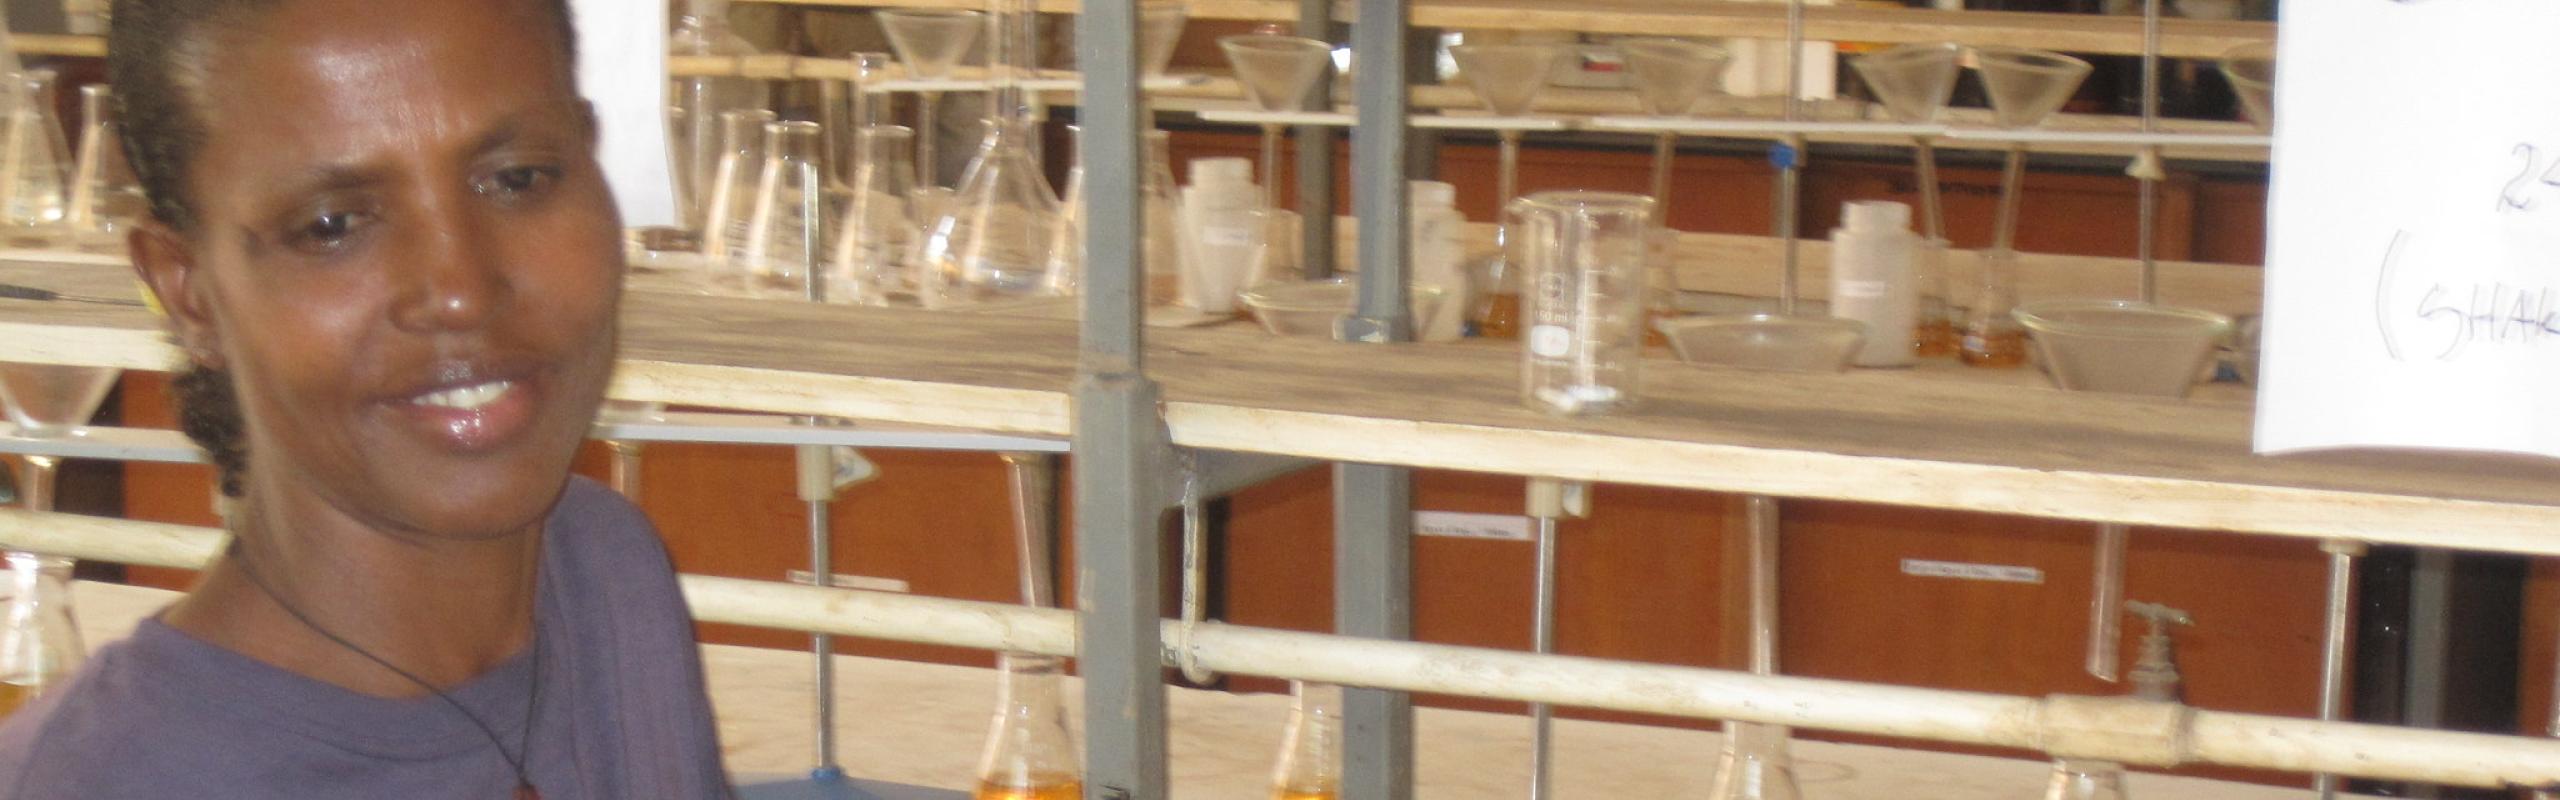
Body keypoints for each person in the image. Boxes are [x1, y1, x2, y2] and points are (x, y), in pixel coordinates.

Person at [0, 0, 732, 797]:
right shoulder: (101, 779)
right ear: (189, 293)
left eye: (518, 178)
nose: (458, 290)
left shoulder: (600, 572)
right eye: (332, 224)